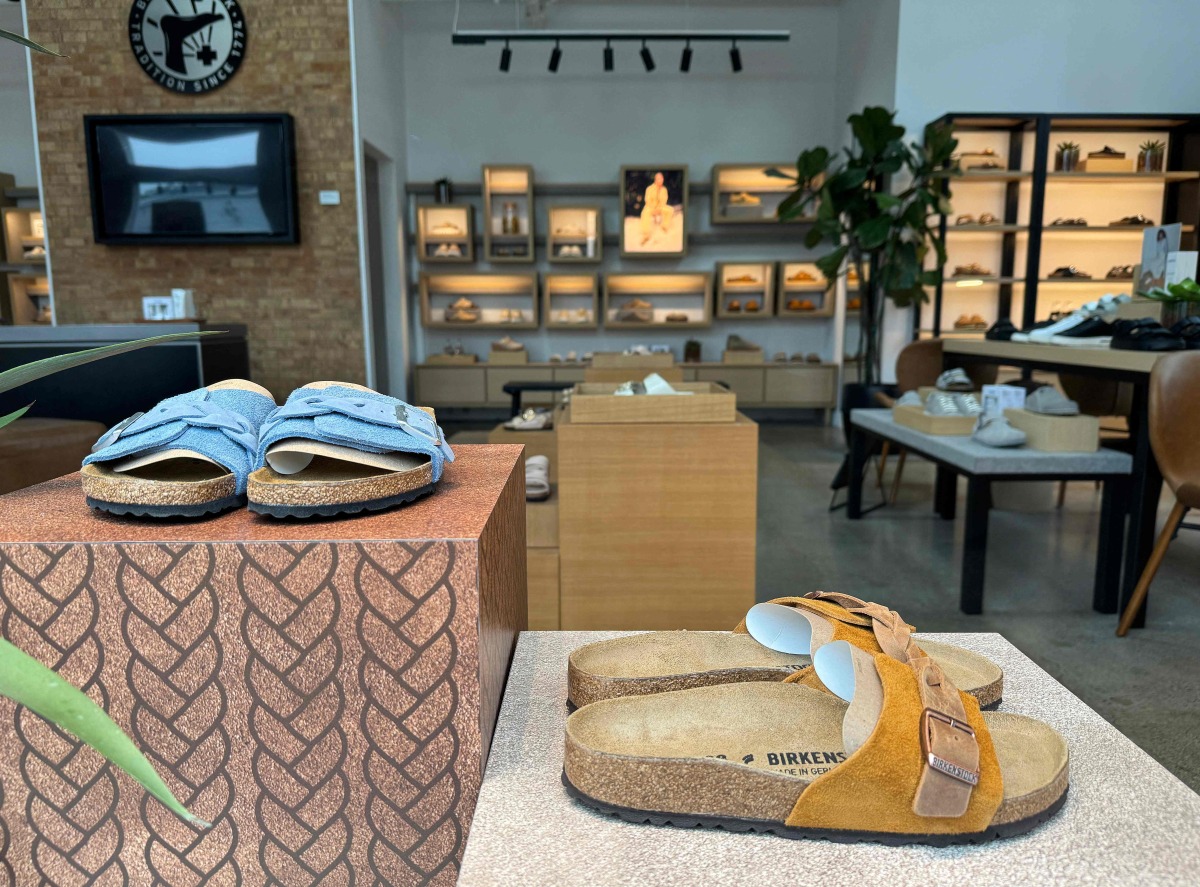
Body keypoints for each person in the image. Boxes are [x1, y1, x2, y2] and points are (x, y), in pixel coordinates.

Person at [639, 172, 675, 245]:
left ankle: (664, 226)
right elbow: (647, 200)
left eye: (661, 178)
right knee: (644, 213)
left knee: (670, 210)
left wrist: (659, 208)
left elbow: (664, 200)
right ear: (655, 180)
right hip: (650, 207)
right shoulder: (649, 189)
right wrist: (653, 208)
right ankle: (646, 235)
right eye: (659, 179)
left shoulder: (664, 189)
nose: (660, 180)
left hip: (660, 207)